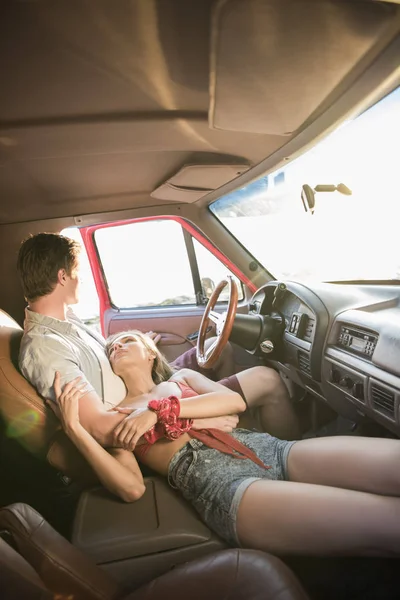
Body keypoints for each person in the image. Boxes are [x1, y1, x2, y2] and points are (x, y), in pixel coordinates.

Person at [51, 329, 400, 558]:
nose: (116, 346)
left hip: (268, 450)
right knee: (387, 521)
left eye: (127, 341)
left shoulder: (183, 378)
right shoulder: (119, 414)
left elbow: (234, 405)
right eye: (112, 346)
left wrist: (160, 413)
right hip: (228, 489)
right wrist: (75, 430)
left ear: (150, 353)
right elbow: (130, 488)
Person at [17, 232, 300, 446]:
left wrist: (141, 343)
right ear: (63, 276)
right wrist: (196, 422)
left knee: (218, 348)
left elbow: (97, 359)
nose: (83, 281)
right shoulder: (46, 348)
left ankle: (247, 428)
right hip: (140, 402)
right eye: (78, 273)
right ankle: (288, 446)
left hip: (153, 388)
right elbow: (101, 428)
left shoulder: (66, 320)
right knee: (267, 379)